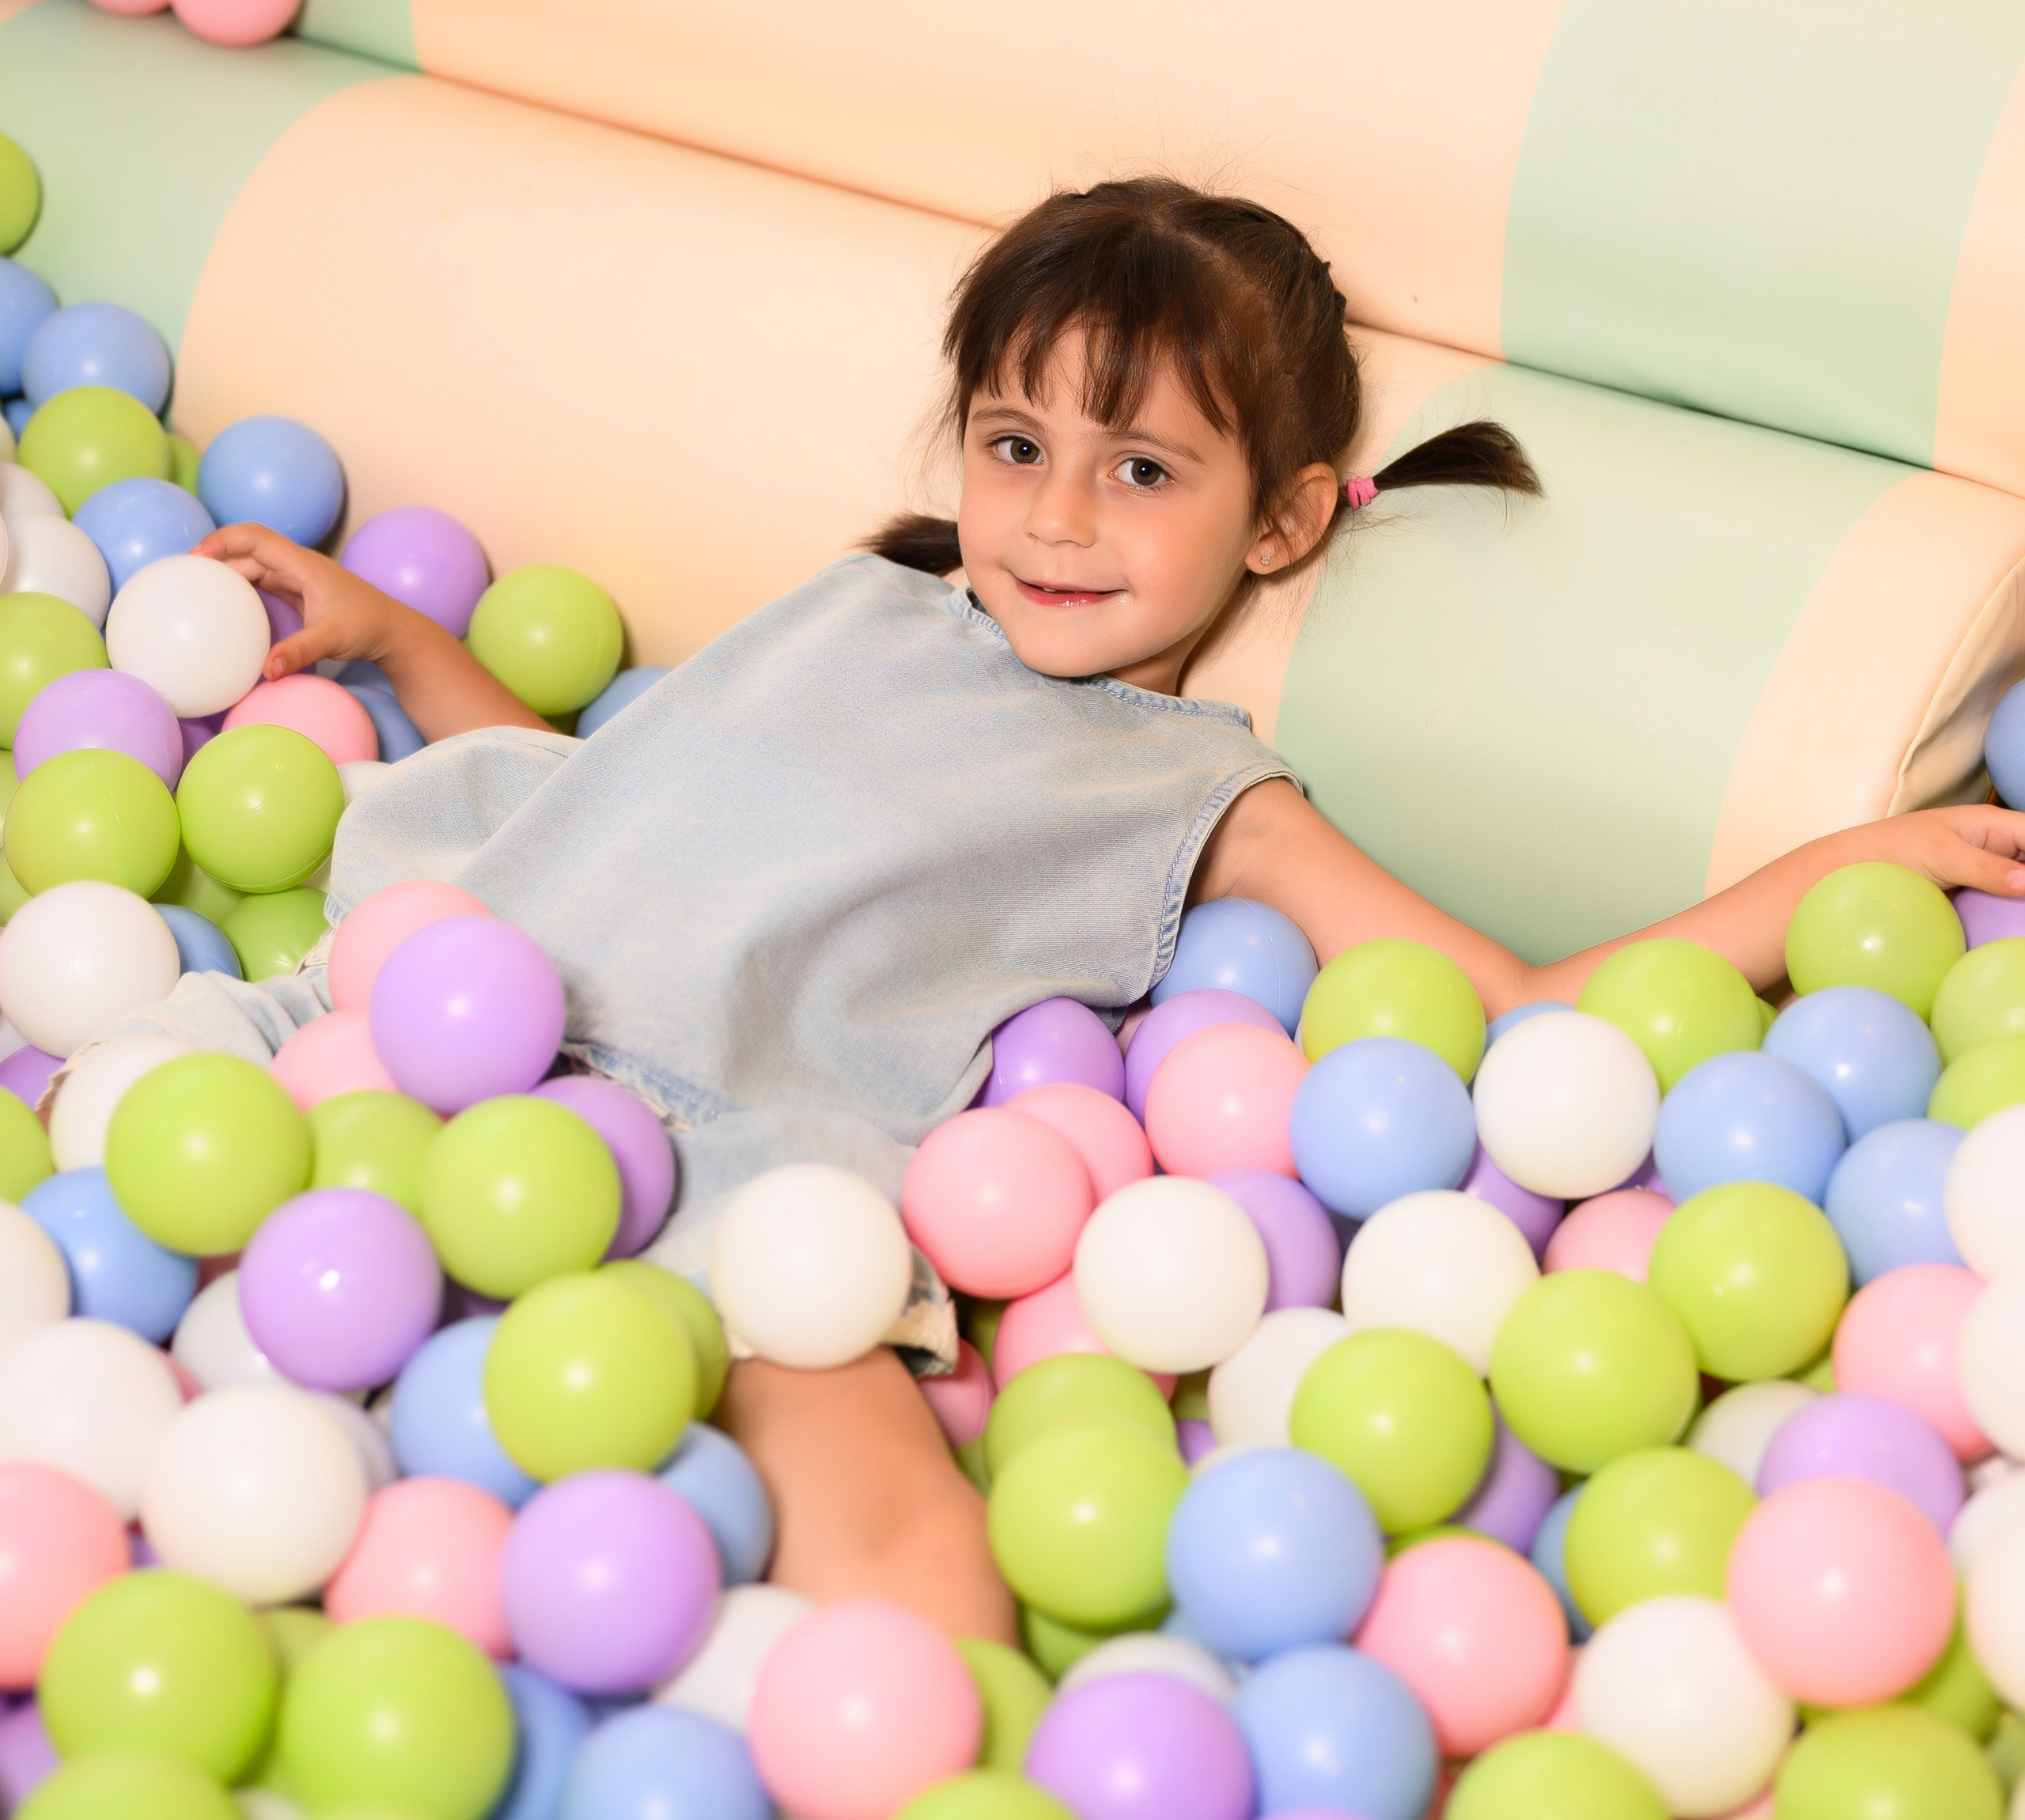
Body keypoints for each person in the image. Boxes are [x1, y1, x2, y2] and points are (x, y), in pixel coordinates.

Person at [141, 180, 2025, 1639]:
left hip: (721, 1168)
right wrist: (406, 643)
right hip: (390, 1035)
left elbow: (1509, 995)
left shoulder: (1187, 779)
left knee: (902, 1553)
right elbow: (610, 791)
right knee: (165, 1253)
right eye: (1012, 444)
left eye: (1141, 472)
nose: (1053, 518)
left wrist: (1807, 880)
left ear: (1278, 523)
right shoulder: (858, 603)